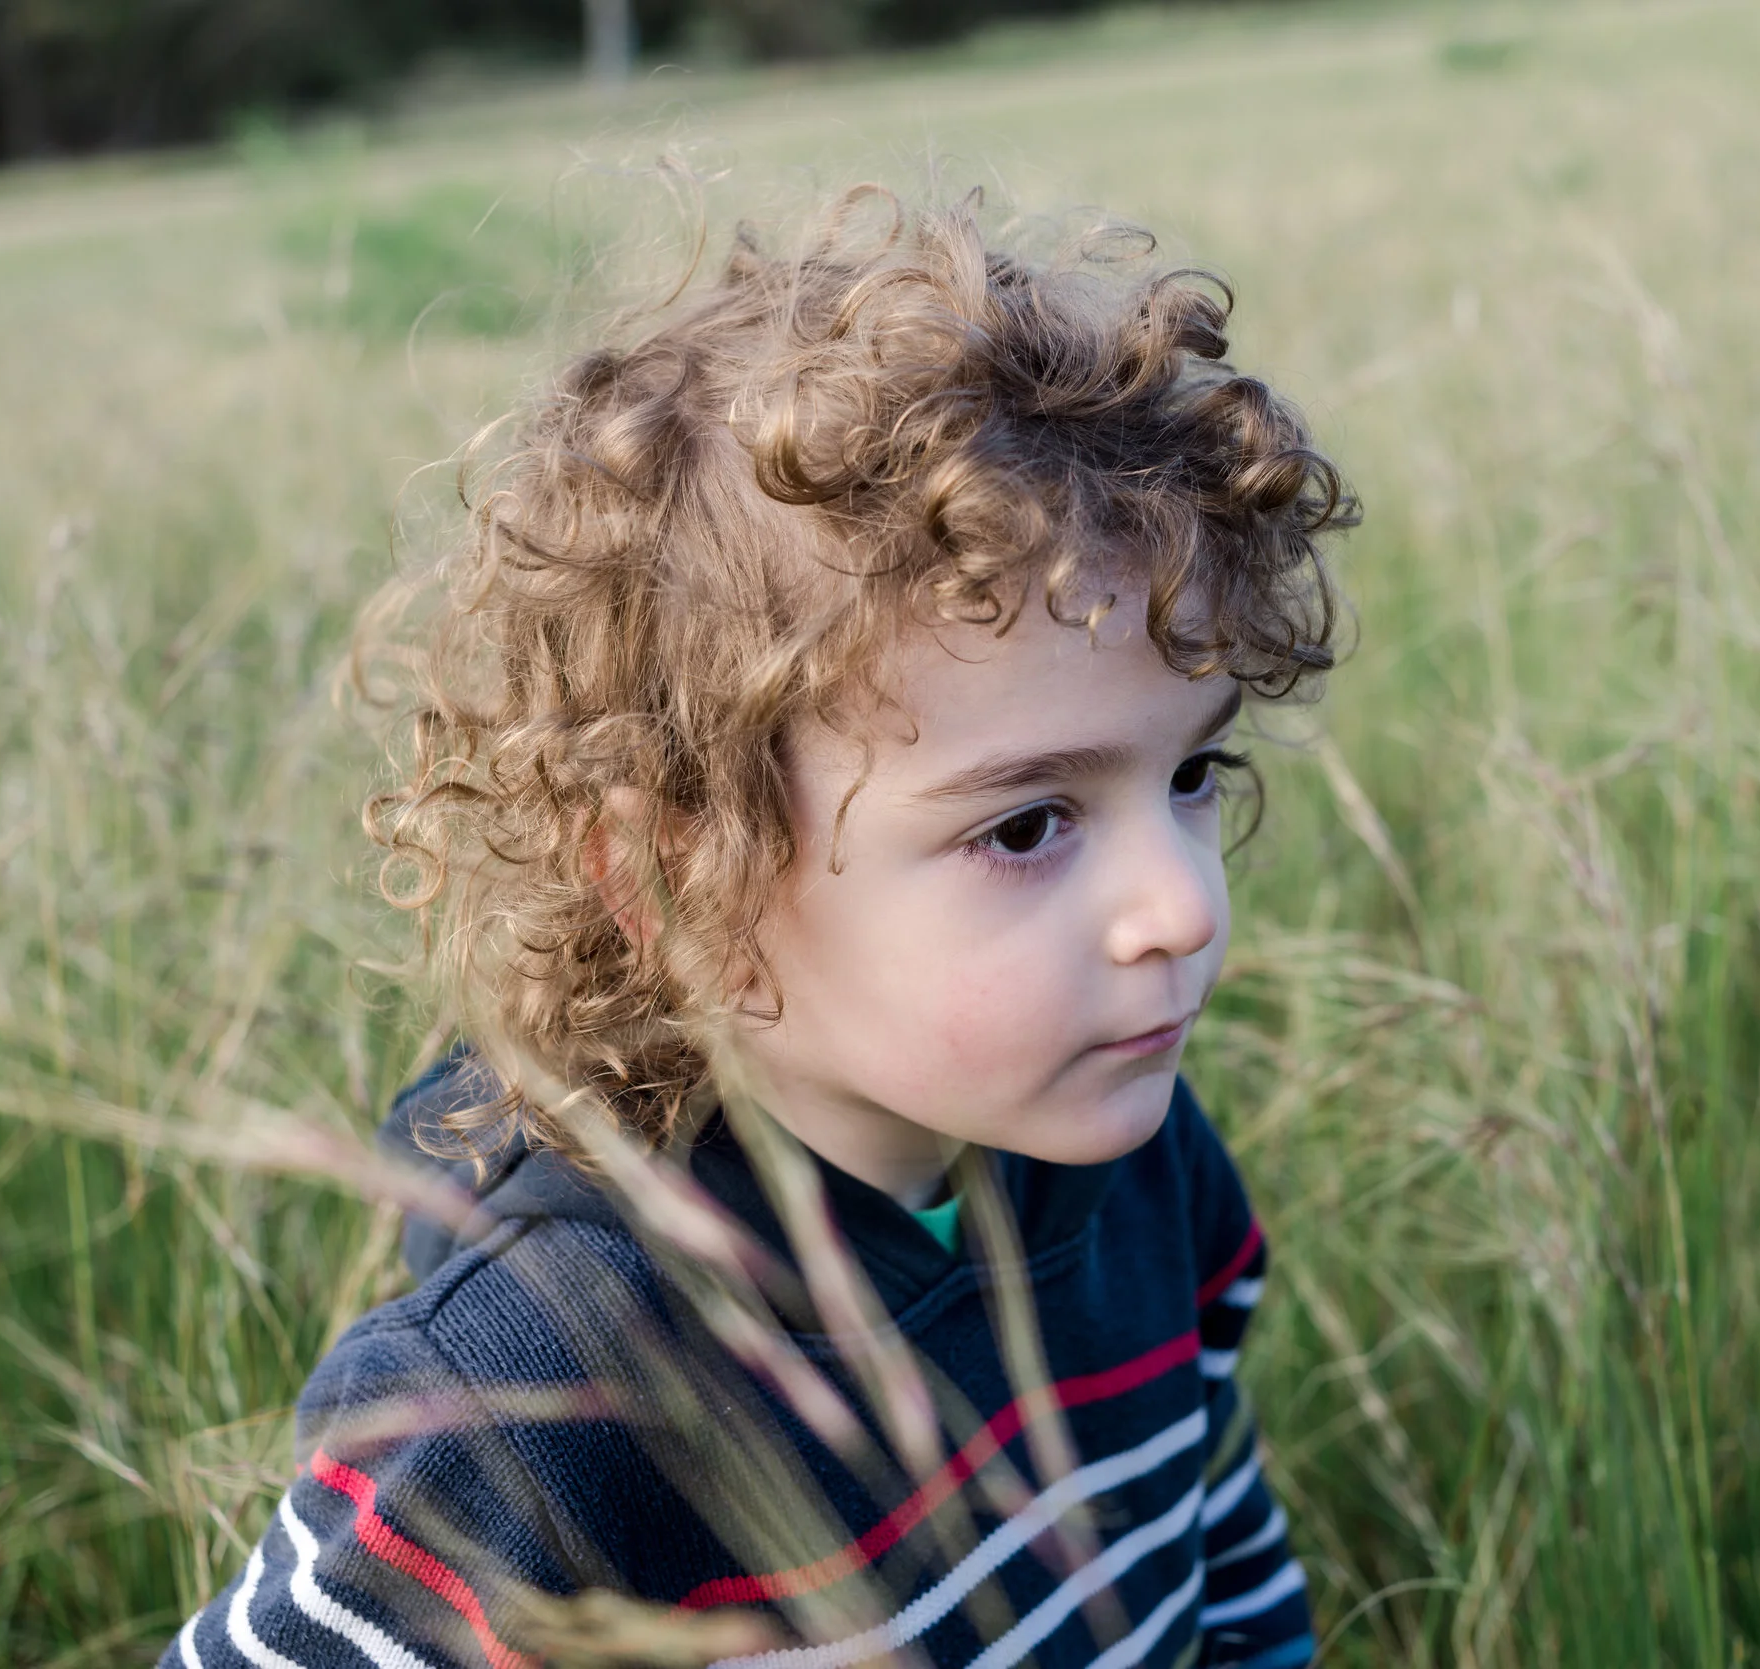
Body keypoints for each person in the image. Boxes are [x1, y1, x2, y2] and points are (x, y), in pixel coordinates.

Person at [160, 184, 1354, 1669]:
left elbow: (1211, 1543)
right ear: (678, 887)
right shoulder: (543, 1396)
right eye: (1026, 825)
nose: (1182, 904)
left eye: (1190, 773)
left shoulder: (1146, 1172)